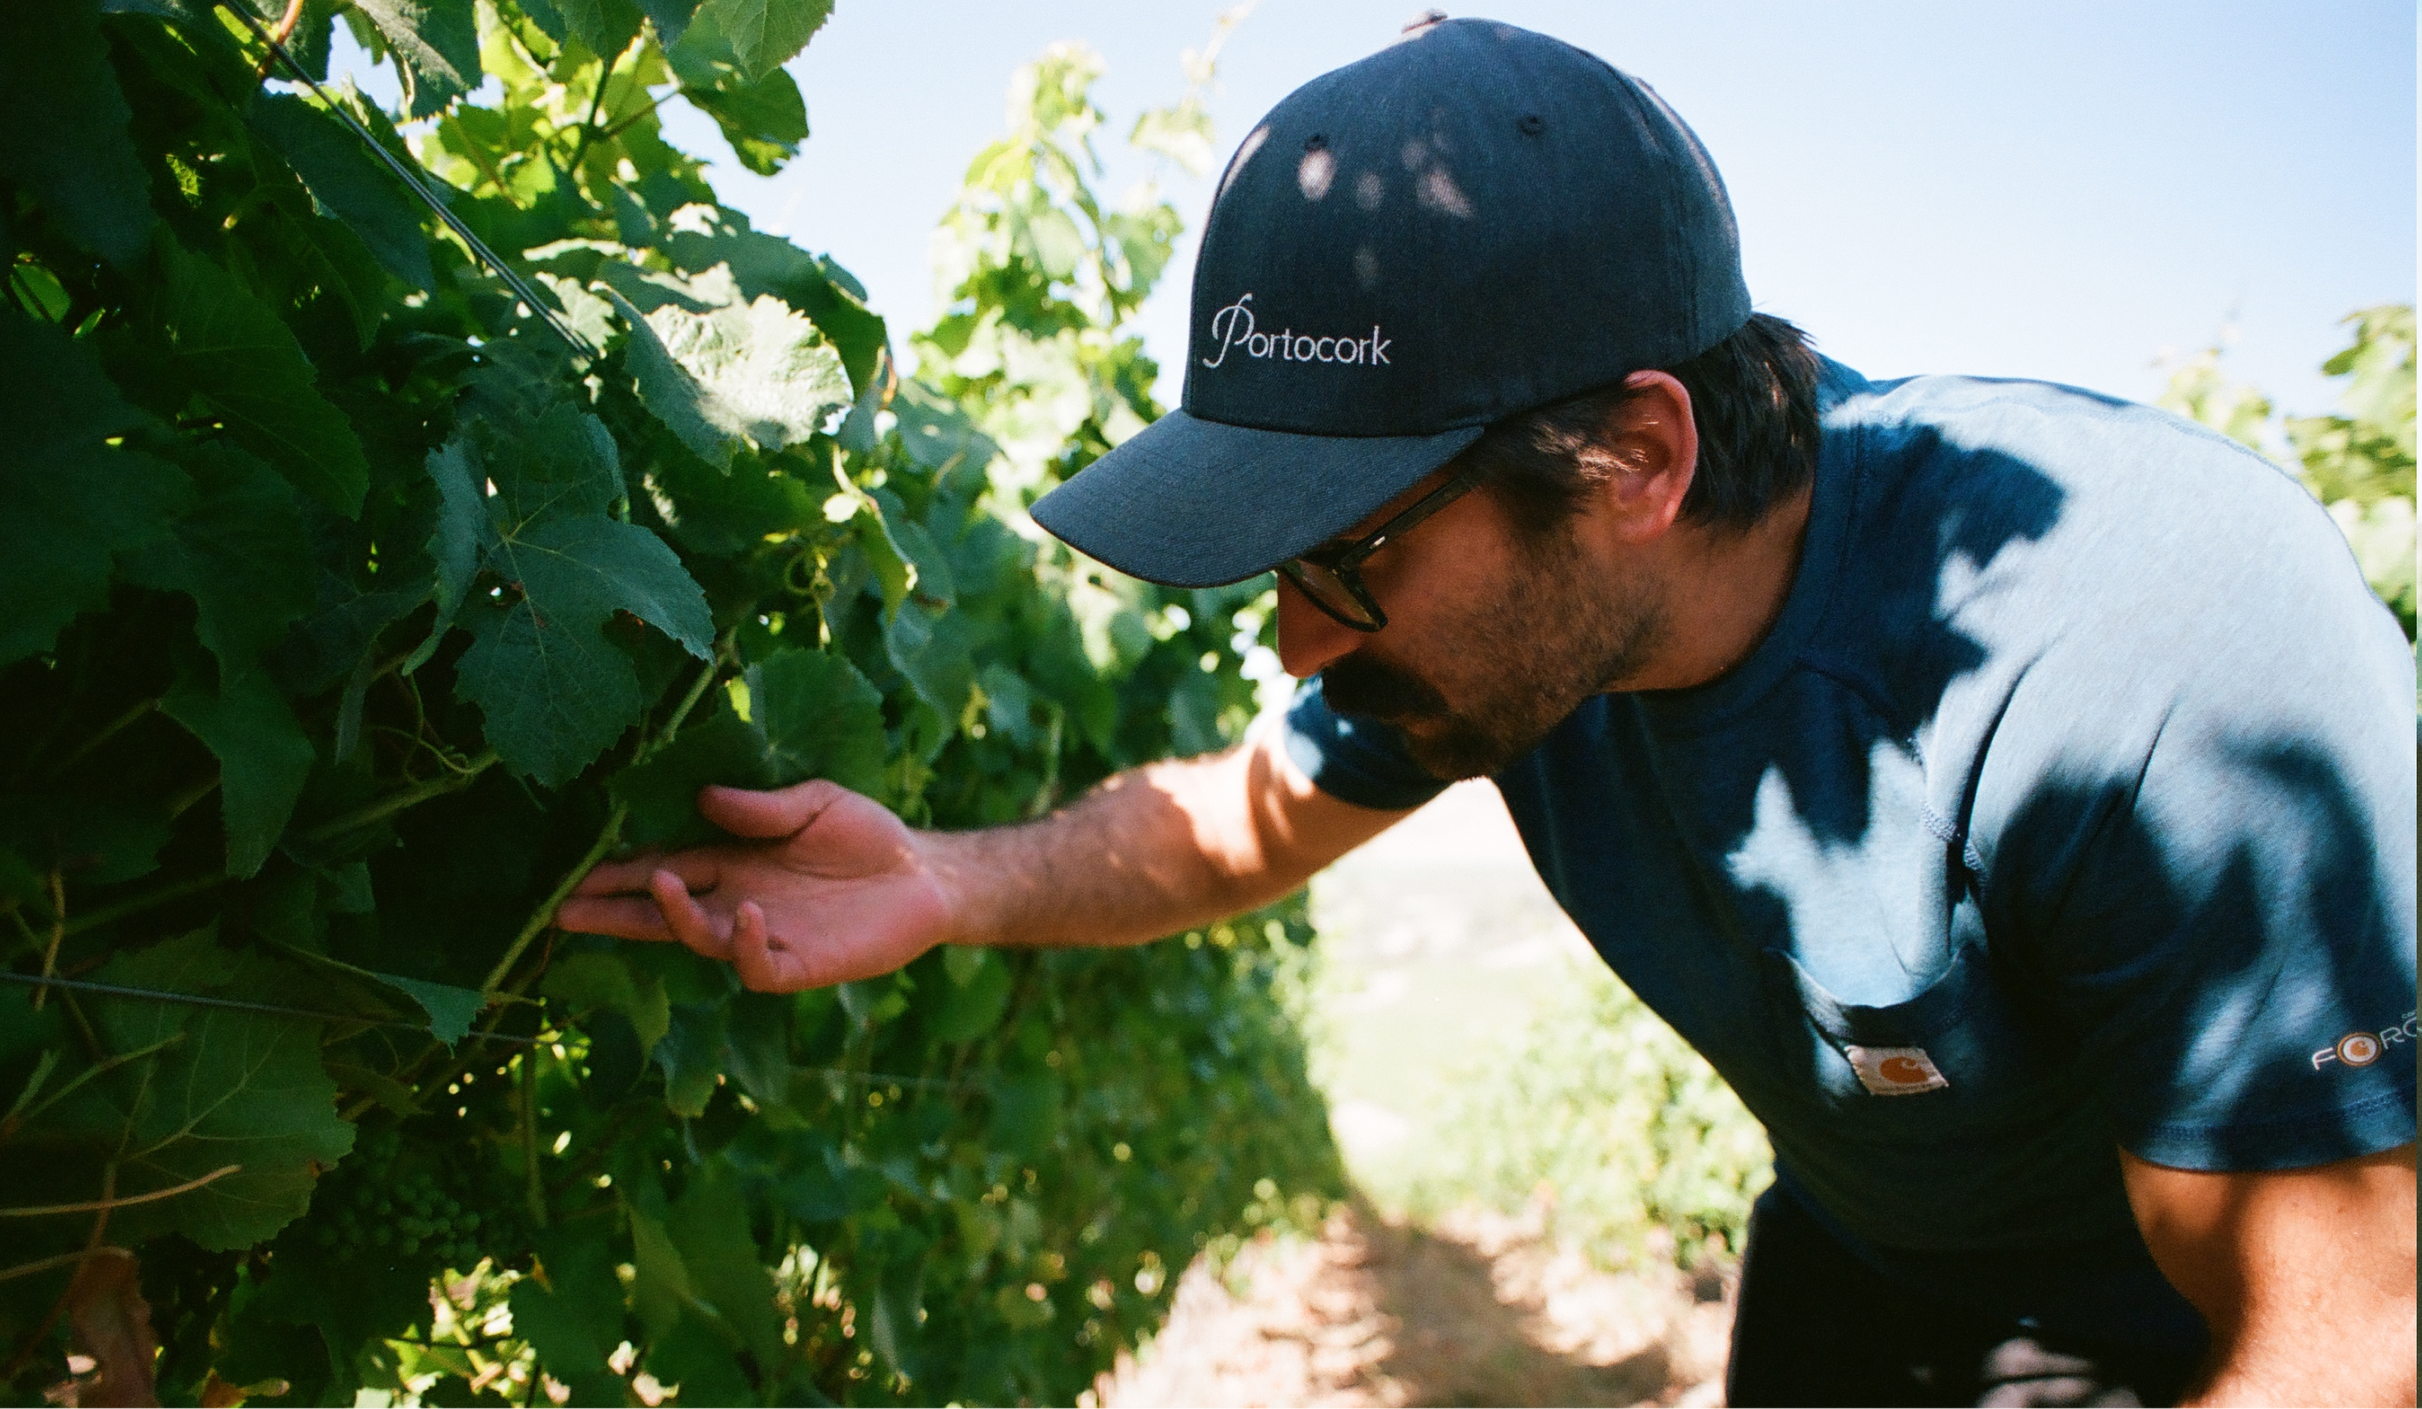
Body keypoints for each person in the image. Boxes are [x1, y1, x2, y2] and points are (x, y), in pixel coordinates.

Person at [558, 17, 2417, 1407]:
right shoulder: (1526, 639)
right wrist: (942, 882)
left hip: (2177, 1332)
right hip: (1868, 1258)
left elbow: (2343, 1338)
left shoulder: (2144, 650)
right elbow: (1240, 820)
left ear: (1634, 456)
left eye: (1344, 555)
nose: (1295, 639)